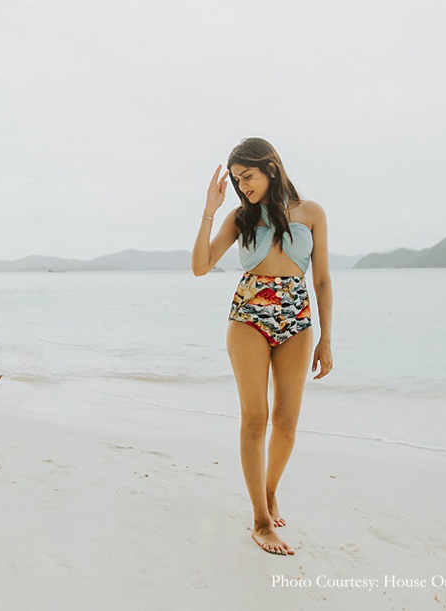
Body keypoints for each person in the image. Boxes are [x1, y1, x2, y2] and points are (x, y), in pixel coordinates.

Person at [191, 137, 333, 556]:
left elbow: (322, 279)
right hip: (249, 316)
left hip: (297, 318)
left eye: (247, 176)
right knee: (256, 419)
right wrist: (210, 210)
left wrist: (327, 338)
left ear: (271, 168)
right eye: (237, 180)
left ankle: (269, 493)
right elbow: (200, 266)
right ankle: (260, 521)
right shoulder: (240, 217)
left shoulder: (311, 213)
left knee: (286, 423)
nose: (243, 186)